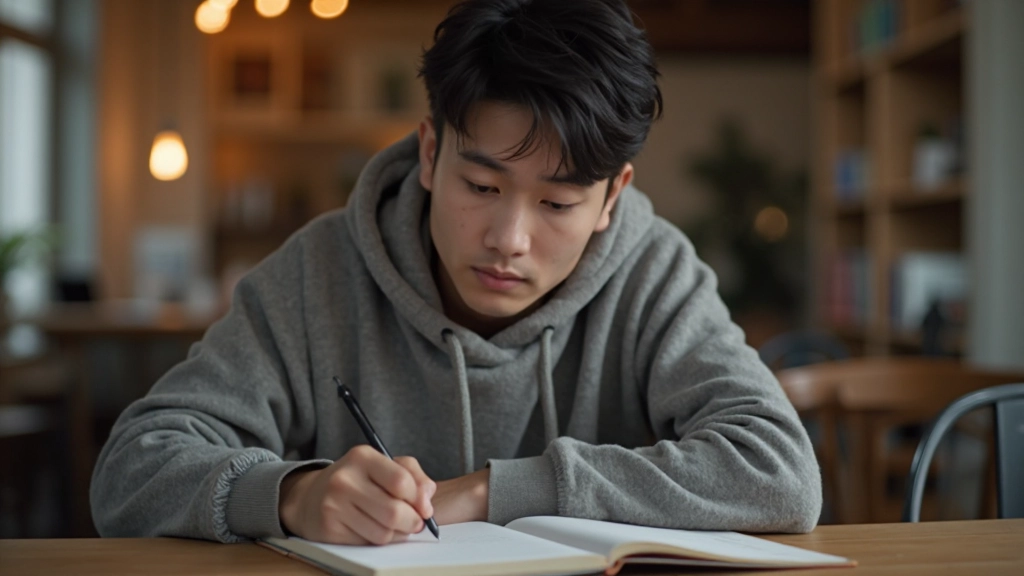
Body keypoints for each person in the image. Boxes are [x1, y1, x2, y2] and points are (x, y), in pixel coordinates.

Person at [91, 0, 821, 546]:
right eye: (482, 187)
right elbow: (132, 469)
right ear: (431, 154)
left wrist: (494, 492)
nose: (509, 239)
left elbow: (779, 472)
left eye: (558, 202)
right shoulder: (318, 272)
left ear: (613, 197)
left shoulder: (654, 272)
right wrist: (290, 495)